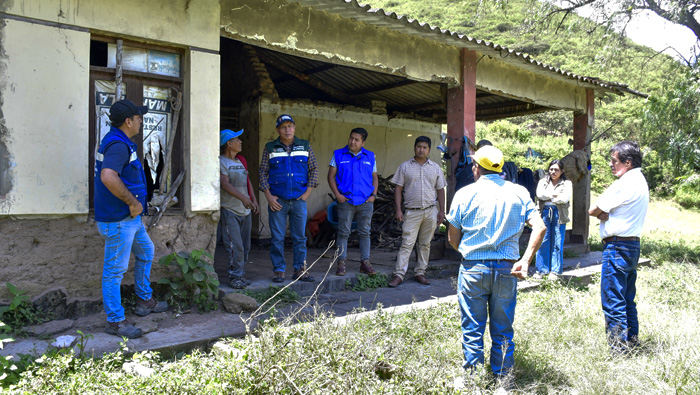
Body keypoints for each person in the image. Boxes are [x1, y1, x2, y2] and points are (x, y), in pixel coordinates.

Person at [446, 145, 546, 383]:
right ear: (500, 168)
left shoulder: (464, 193)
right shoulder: (519, 192)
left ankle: (473, 380)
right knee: (503, 330)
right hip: (507, 268)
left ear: (476, 168)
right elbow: (540, 227)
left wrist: (469, 254)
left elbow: (452, 237)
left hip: (473, 268)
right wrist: (525, 260)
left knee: (472, 328)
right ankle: (503, 381)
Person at [94, 99, 168, 339]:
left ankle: (143, 300)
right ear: (128, 121)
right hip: (119, 219)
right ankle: (115, 321)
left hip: (129, 218)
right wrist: (133, 203)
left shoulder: (122, 141)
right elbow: (108, 176)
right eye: (138, 118)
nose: (140, 121)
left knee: (146, 251)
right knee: (114, 271)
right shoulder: (117, 145)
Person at [589, 141, 648, 353]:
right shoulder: (640, 180)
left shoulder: (625, 182)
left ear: (628, 162)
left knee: (613, 299)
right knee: (627, 298)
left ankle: (618, 350)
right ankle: (632, 342)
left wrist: (601, 213)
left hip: (617, 246)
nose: (611, 165)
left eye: (614, 161)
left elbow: (593, 209)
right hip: (632, 244)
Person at [260, 114, 317, 283]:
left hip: (299, 200)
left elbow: (314, 169)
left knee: (300, 237)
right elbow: (263, 172)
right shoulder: (270, 147)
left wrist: (307, 194)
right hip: (277, 201)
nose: (287, 129)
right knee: (277, 237)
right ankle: (279, 270)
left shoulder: (305, 145)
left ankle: (300, 269)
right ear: (278, 129)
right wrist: (269, 196)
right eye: (283, 127)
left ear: (294, 128)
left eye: (290, 126)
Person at [388, 136, 446, 288]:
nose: (421, 149)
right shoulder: (405, 167)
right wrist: (398, 209)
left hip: (430, 211)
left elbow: (440, 190)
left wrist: (442, 211)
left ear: (429, 150)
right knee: (407, 243)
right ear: (414, 148)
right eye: (419, 146)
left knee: (425, 244)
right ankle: (399, 275)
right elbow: (398, 189)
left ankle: (420, 272)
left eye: (425, 147)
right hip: (411, 212)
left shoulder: (435, 168)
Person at [328, 127, 379, 276]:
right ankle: (341, 263)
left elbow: (375, 177)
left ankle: (365, 263)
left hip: (365, 201)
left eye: (357, 140)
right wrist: (337, 194)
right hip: (346, 200)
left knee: (365, 232)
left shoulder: (370, 156)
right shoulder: (338, 154)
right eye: (351, 138)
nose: (352, 142)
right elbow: (330, 176)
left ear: (363, 142)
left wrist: (373, 196)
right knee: (343, 232)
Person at [220, 129, 259, 289]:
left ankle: (240, 274)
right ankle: (234, 276)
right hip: (230, 210)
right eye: (237, 139)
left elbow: (248, 182)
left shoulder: (240, 161)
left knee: (245, 246)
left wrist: (254, 200)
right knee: (235, 246)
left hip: (246, 210)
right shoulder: (221, 161)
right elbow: (225, 184)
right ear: (229, 143)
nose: (241, 142)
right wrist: (243, 198)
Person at [534, 159, 572, 279]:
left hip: (559, 213)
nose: (553, 172)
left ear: (562, 171)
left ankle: (555, 271)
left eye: (556, 170)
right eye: (551, 169)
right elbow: (540, 194)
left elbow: (564, 198)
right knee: (542, 240)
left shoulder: (567, 183)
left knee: (557, 241)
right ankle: (541, 270)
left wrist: (550, 198)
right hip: (544, 212)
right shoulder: (542, 182)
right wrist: (554, 195)